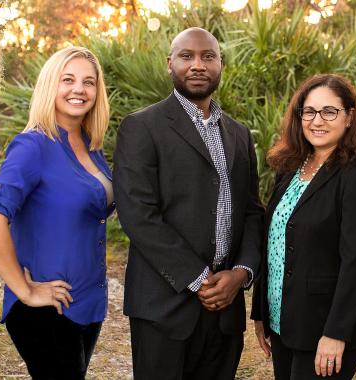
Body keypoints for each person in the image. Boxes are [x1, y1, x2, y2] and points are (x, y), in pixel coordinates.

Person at [113, 27, 264, 380]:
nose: (198, 65)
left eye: (208, 56)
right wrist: (199, 280)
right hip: (164, 307)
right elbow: (138, 215)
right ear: (170, 63)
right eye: (187, 56)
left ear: (220, 65)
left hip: (225, 310)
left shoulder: (239, 135)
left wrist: (241, 273)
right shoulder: (142, 127)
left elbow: (252, 211)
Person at [0, 46, 114, 378]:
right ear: (51, 84)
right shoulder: (33, 146)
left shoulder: (92, 147)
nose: (79, 89)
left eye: (88, 82)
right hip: (48, 310)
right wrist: (25, 291)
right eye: (68, 79)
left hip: (86, 303)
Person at [250, 74, 356, 379]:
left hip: (325, 328)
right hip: (284, 321)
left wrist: (336, 333)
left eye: (329, 112)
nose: (317, 120)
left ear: (349, 117)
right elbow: (274, 242)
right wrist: (261, 312)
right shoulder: (291, 167)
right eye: (309, 112)